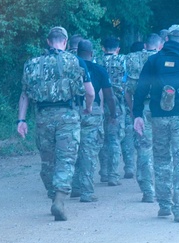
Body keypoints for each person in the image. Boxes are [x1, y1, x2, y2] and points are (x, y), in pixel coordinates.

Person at [17, 26, 94, 221]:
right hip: (68, 116)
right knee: (66, 160)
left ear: (48, 41)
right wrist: (88, 107)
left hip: (43, 117)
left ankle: (53, 195)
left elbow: (25, 94)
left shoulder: (32, 64)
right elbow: (90, 92)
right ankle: (59, 199)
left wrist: (21, 120)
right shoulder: (76, 61)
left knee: (48, 161)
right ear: (65, 42)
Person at [132, 25, 179, 223]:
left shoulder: (154, 60)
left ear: (167, 40)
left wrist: (137, 114)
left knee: (161, 160)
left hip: (158, 117)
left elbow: (141, 88)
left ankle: (164, 205)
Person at [71, 40, 115, 202]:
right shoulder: (99, 70)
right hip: (92, 111)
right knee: (89, 151)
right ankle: (87, 192)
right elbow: (109, 96)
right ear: (92, 53)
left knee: (73, 149)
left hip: (72, 110)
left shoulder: (71, 67)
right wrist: (113, 114)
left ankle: (75, 186)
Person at [125, 35, 160, 203]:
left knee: (144, 149)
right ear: (160, 45)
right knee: (163, 150)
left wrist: (134, 111)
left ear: (145, 45)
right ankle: (163, 188)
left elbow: (127, 91)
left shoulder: (132, 60)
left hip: (142, 108)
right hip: (161, 109)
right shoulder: (162, 59)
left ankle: (148, 191)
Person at [99, 36, 131, 186]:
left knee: (102, 138)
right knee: (115, 138)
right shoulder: (124, 60)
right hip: (117, 102)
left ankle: (104, 172)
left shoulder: (97, 61)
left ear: (103, 48)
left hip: (100, 102)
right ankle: (113, 174)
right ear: (118, 49)